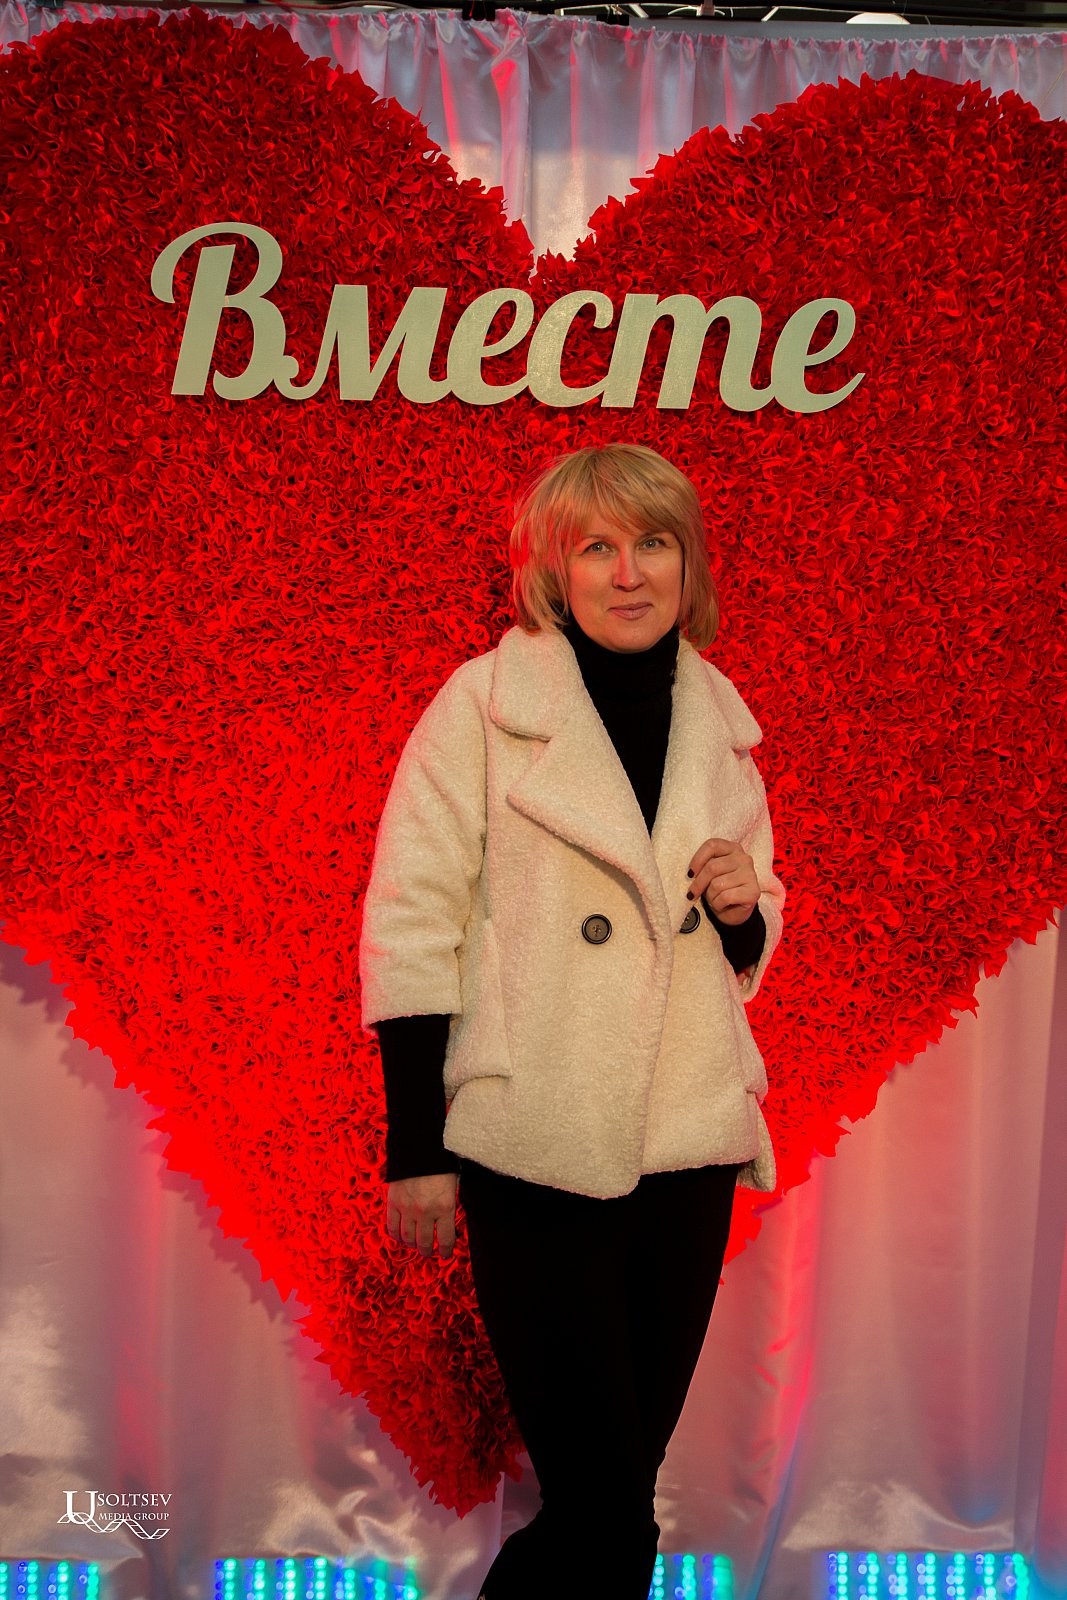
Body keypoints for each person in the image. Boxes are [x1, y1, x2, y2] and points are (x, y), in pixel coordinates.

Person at [358, 443, 787, 1600]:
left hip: (685, 1143)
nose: (627, 572)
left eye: (652, 542)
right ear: (553, 571)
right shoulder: (484, 706)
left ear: (688, 563)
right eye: (596, 547)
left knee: (615, 1499)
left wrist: (745, 909)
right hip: (535, 1142)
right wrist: (416, 1145)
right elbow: (409, 917)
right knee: (602, 1503)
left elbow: (750, 916)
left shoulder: (718, 719)